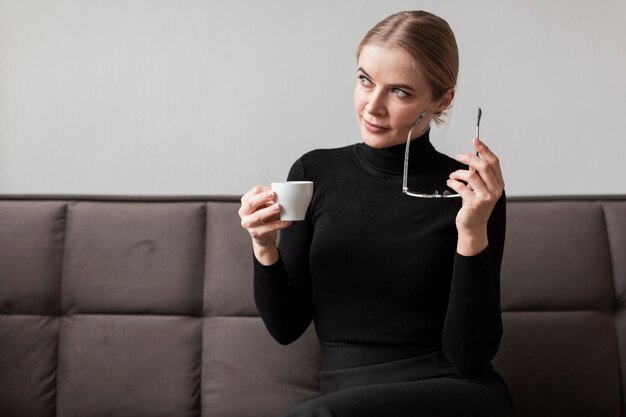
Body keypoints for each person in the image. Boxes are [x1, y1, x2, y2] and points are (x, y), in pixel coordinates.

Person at [238, 10, 513, 417]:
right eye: (366, 80)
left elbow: (471, 355)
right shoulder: (314, 174)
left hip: (454, 393)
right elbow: (285, 327)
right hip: (346, 398)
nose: (373, 106)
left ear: (443, 99)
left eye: (400, 92)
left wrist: (472, 231)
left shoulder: (469, 192)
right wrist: (264, 246)